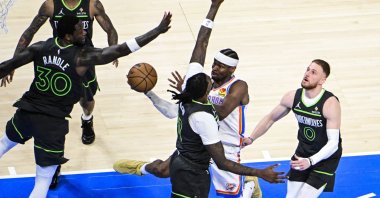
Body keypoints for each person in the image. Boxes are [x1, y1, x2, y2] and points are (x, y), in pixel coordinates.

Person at [114, 0, 285, 197]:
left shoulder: (238, 86)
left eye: (220, 66)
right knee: (162, 171)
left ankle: (249, 184)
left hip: (225, 147)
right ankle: (141, 168)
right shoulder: (199, 86)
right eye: (213, 64)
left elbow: (219, 113)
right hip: (199, 143)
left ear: (232, 69)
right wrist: (152, 93)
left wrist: (187, 96)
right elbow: (201, 43)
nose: (213, 68)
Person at [0, 14, 171, 197]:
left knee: (2, 145)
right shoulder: (81, 57)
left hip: (27, 112)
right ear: (67, 36)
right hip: (52, 123)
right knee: (42, 182)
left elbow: (6, 65)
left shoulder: (39, 47)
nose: (85, 31)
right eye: (80, 29)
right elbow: (121, 50)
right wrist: (157, 31)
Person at [1, 0, 119, 145]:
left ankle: (87, 120)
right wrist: (14, 61)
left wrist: (114, 50)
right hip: (58, 57)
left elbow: (110, 29)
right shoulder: (50, 5)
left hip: (83, 59)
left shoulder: (92, 4)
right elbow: (30, 31)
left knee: (87, 100)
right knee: (53, 101)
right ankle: (50, 151)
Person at [242, 59, 342, 198]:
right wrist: (251, 138)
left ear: (322, 80)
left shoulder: (329, 103)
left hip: (325, 159)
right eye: (307, 69)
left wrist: (311, 161)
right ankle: (251, 186)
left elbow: (333, 143)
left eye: (313, 72)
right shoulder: (293, 97)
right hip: (302, 154)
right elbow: (271, 118)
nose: (307, 74)